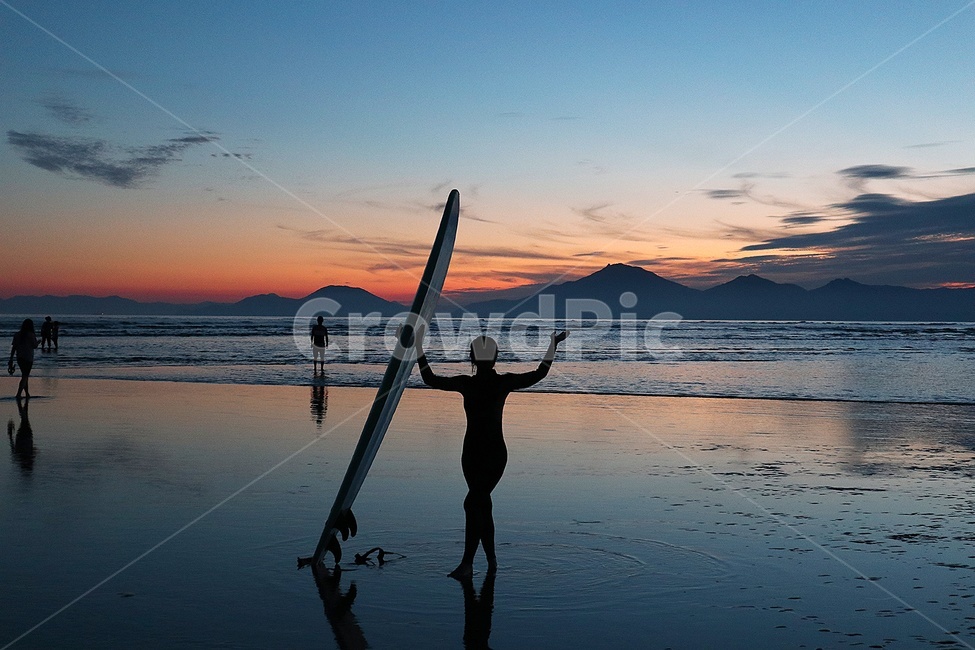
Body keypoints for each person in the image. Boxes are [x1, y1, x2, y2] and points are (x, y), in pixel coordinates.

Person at [415, 326, 569, 579]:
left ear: (473, 358)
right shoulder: (499, 382)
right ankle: (491, 561)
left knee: (472, 502)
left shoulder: (471, 383)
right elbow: (540, 373)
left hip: (484, 453)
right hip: (480, 453)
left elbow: (429, 378)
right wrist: (553, 345)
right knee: (481, 505)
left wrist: (418, 348)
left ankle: (467, 564)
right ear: (493, 357)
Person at [8, 318, 40, 399]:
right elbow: (34, 346)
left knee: (24, 375)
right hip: (28, 357)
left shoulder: (17, 334)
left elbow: (14, 347)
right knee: (25, 376)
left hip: (19, 357)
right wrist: (39, 342)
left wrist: (11, 358)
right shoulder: (31, 335)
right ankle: (18, 394)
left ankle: (27, 394)